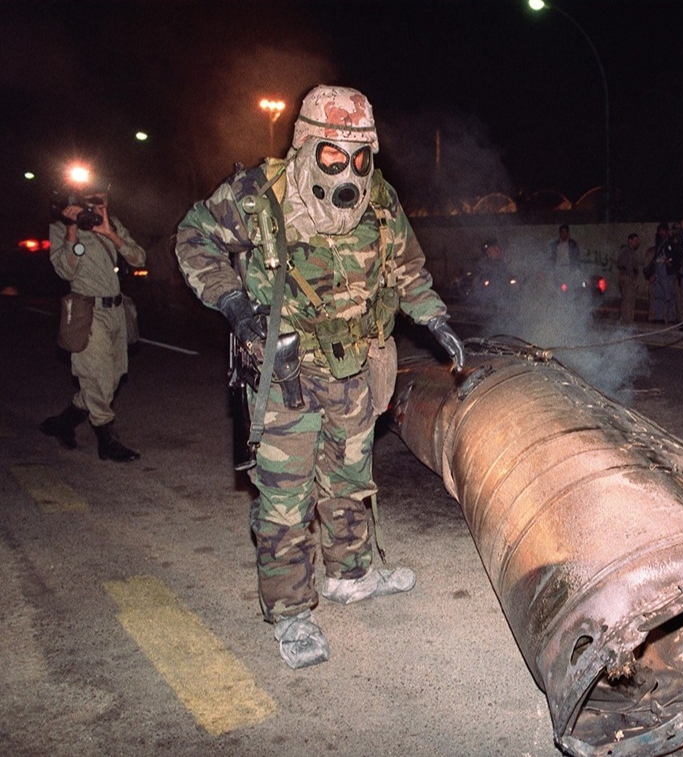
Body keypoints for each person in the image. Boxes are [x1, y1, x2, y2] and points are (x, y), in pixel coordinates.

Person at [174, 85, 465, 669]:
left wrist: (434, 317)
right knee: (286, 499)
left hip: (353, 370)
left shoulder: (379, 200)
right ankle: (290, 612)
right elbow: (192, 237)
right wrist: (233, 303)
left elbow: (407, 268)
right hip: (284, 375)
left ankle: (350, 575)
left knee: (350, 479)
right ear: (306, 145)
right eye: (333, 156)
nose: (348, 171)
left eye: (360, 157)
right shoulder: (259, 195)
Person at [40, 176, 145, 462]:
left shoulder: (112, 224)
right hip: (88, 311)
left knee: (113, 377)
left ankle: (62, 423)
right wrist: (72, 228)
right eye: (94, 200)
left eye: (104, 199)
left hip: (116, 311)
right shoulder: (60, 227)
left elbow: (139, 258)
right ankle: (107, 441)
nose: (100, 205)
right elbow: (65, 271)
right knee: (96, 376)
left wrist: (110, 233)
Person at [645, 222, 680, 323]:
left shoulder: (671, 242)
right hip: (658, 273)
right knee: (658, 296)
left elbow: (676, 256)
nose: (661, 233)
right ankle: (658, 317)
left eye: (662, 231)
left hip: (667, 273)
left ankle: (671, 317)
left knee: (670, 296)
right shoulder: (659, 244)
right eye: (659, 231)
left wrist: (670, 261)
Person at [616, 232, 642, 322]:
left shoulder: (627, 251)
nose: (636, 242)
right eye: (635, 240)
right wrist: (633, 280)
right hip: (628, 278)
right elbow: (629, 266)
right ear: (630, 241)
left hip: (626, 277)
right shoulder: (628, 251)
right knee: (629, 301)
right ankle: (627, 320)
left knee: (626, 300)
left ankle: (625, 319)